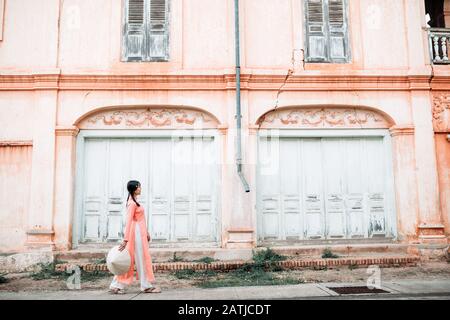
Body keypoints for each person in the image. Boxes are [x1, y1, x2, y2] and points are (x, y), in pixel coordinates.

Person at [109, 180, 161, 294]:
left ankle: (116, 285)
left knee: (136, 258)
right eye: (138, 187)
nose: (140, 189)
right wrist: (125, 239)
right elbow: (128, 222)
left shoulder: (135, 202)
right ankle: (144, 285)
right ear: (134, 189)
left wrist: (146, 232)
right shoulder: (132, 203)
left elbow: (140, 219)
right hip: (135, 233)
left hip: (140, 232)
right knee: (134, 259)